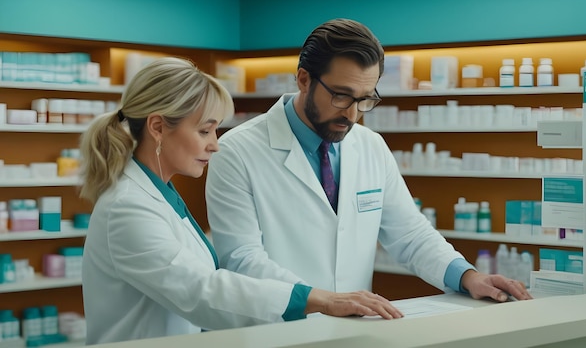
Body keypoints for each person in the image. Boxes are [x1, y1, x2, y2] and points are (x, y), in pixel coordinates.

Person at [79, 57, 402, 345]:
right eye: (205, 131)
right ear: (159, 127)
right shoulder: (127, 207)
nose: (215, 146)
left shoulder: (157, 193)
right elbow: (201, 290)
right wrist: (316, 299)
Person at [205, 19, 533, 303]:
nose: (352, 114)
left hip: (350, 331)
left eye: (365, 99)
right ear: (303, 80)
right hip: (274, 331)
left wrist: (467, 276)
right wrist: (324, 300)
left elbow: (411, 235)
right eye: (341, 95)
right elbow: (241, 259)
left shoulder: (370, 146)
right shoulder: (237, 152)